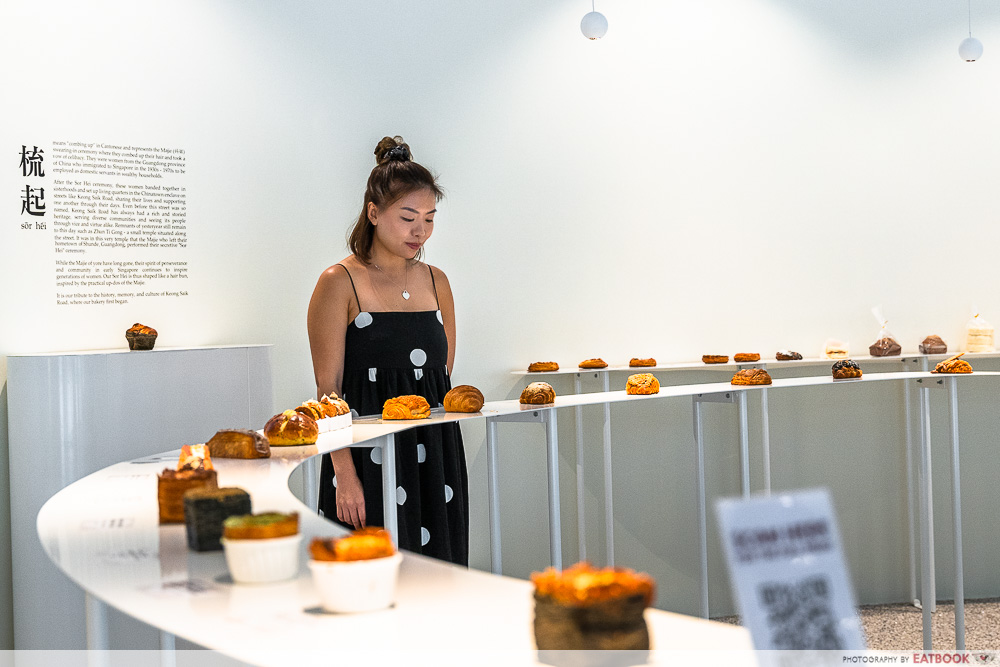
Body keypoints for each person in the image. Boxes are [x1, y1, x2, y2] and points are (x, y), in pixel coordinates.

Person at [307, 136, 469, 565]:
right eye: (408, 217)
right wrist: (343, 473)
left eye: (430, 219)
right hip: (366, 460)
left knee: (439, 580)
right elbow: (328, 391)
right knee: (367, 581)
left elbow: (441, 380)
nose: (421, 231)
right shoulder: (338, 281)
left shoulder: (438, 282)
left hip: (436, 456)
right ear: (374, 213)